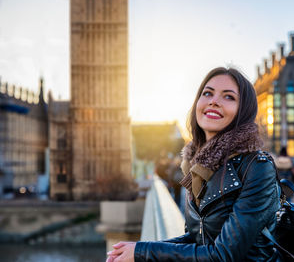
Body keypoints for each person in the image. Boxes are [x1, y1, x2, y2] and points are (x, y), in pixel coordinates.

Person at [106, 67, 281, 261]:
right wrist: (138, 247)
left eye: (229, 97)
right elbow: (199, 237)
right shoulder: (197, 166)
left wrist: (143, 253)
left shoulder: (257, 167)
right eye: (207, 93)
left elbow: (223, 256)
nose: (214, 101)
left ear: (244, 111)